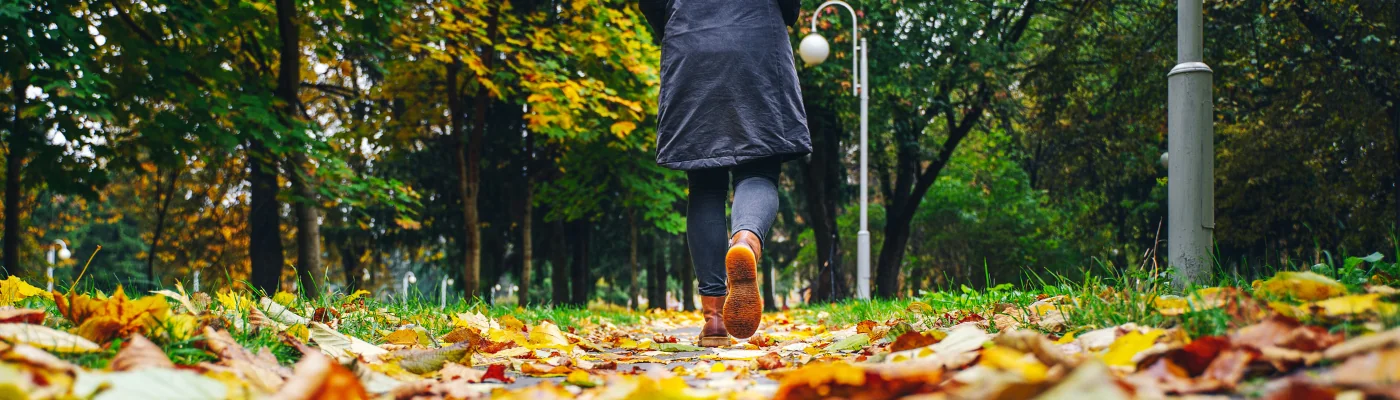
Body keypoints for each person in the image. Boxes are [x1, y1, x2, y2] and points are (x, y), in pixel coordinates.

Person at [639, 0, 810, 346]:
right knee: (759, 168)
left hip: (691, 45)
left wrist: (676, 22)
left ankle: (714, 320)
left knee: (704, 184)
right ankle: (745, 241)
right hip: (758, 45)